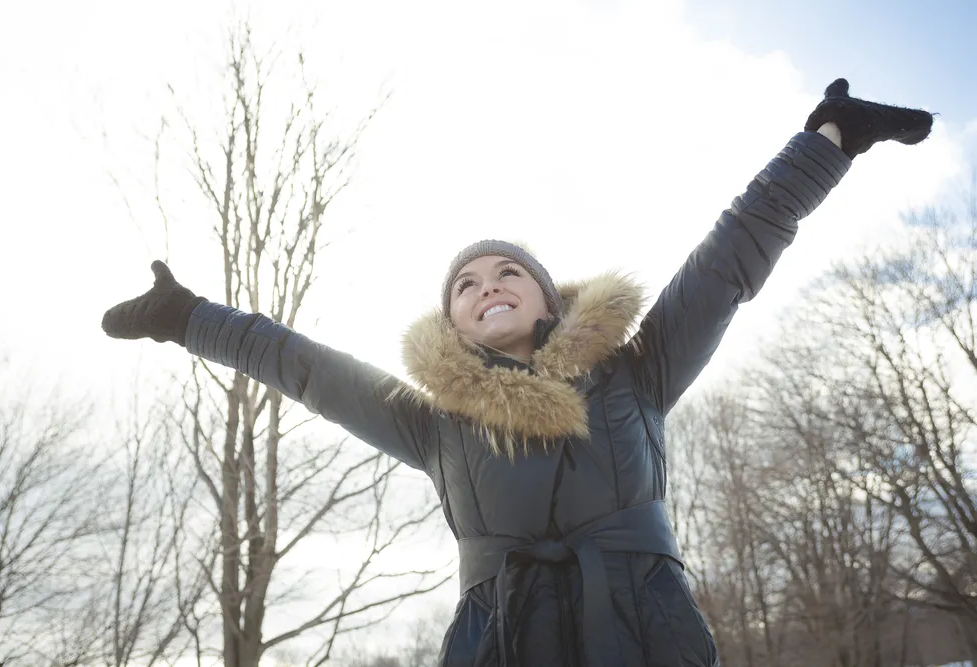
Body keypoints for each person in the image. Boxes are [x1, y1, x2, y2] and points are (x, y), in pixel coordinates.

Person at [102, 79, 933, 667]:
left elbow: (729, 259)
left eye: (506, 272)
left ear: (544, 296)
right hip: (500, 641)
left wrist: (826, 141)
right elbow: (302, 367)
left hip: (648, 636)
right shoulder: (432, 421)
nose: (485, 285)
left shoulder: (635, 373)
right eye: (465, 284)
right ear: (454, 322)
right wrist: (188, 318)